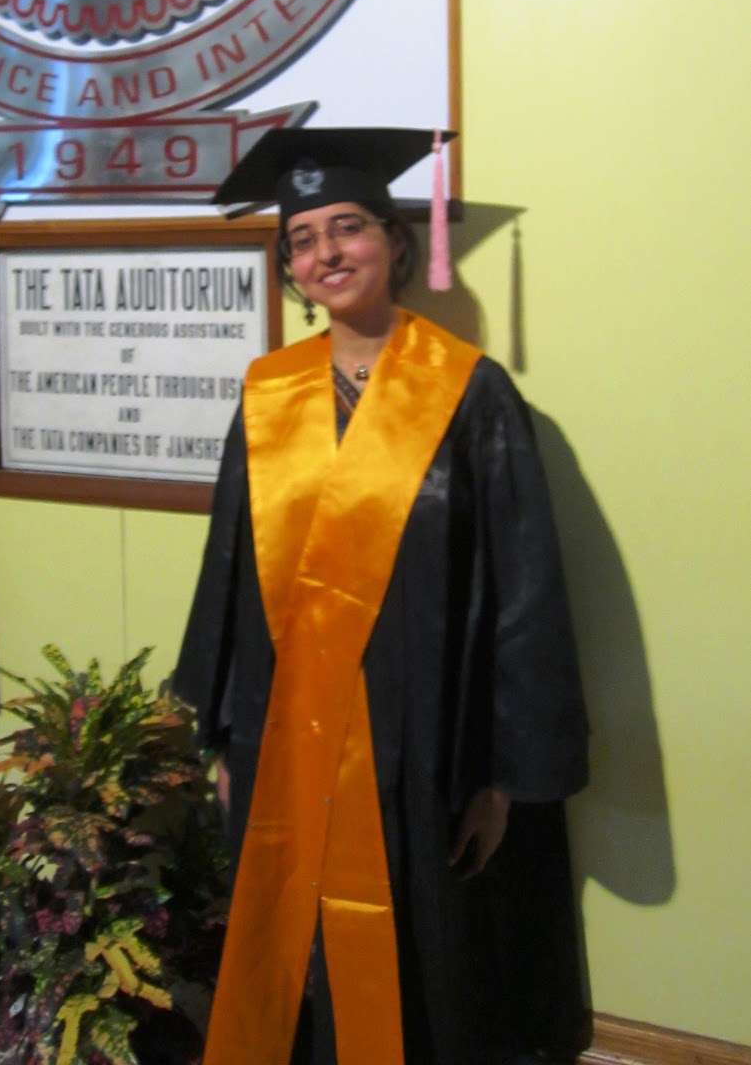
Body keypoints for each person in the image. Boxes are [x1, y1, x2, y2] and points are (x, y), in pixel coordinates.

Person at [174, 127, 590, 1065]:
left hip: (422, 736)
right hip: (284, 726)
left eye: (347, 227)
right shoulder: (268, 393)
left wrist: (501, 775)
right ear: (289, 268)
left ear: (395, 242)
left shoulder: (468, 392)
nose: (326, 253)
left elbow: (521, 588)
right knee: (293, 949)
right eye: (302, 239)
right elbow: (229, 572)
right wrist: (227, 733)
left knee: (424, 952)